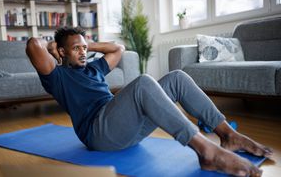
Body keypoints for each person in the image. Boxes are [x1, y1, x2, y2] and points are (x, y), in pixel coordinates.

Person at [26, 27, 272, 177]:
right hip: (99, 133)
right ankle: (205, 151)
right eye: (75, 49)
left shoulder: (94, 69)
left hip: (123, 130)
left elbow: (118, 49)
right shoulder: (57, 77)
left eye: (84, 48)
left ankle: (227, 134)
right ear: (60, 52)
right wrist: (54, 46)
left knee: (177, 78)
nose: (82, 52)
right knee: (143, 82)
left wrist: (84, 43)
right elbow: (33, 46)